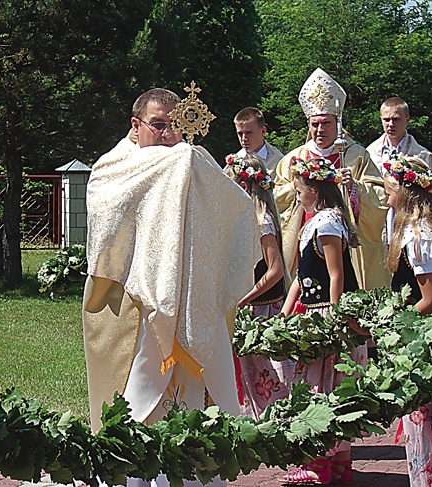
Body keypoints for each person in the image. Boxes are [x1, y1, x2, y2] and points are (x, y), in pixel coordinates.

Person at [82, 89, 261, 486]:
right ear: (136, 125)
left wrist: (192, 172)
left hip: (192, 302)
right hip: (132, 306)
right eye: (158, 124)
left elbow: (237, 209)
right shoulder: (114, 167)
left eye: (174, 126)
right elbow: (106, 222)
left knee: (190, 418)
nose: (166, 134)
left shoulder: (194, 160)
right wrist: (172, 171)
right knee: (130, 416)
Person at [280, 157, 363, 485]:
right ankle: (340, 463)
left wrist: (333, 317)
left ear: (314, 190)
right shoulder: (315, 221)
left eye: (300, 191)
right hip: (315, 310)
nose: (297, 197)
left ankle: (320, 464)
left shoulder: (328, 222)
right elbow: (303, 275)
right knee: (322, 386)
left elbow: (335, 273)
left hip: (326, 313)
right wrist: (285, 314)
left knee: (322, 388)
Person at [383, 155, 432, 486]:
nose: (385, 192)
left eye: (390, 186)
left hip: (431, 336)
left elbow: (430, 299)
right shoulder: (426, 229)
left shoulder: (418, 235)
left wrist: (390, 323)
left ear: (405, 190)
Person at [274, 68, 389, 291]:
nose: (320, 129)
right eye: (315, 124)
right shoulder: (296, 158)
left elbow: (381, 196)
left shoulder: (355, 156)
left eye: (326, 123)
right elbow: (276, 198)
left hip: (346, 244)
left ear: (337, 124)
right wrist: (299, 186)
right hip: (306, 239)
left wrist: (355, 188)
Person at [223, 153, 293, 420]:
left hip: (264, 309)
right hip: (250, 307)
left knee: (270, 375)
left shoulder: (262, 220)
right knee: (250, 373)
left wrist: (244, 298)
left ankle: (276, 425)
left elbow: (274, 271)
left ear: (243, 186)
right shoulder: (243, 219)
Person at [367, 97, 432, 181]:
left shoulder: (422, 155)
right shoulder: (369, 153)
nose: (391, 124)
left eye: (396, 119)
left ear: (407, 119)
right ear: (381, 119)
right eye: (387, 120)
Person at [233, 107, 284, 175]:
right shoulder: (235, 161)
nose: (244, 138)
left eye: (249, 132)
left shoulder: (279, 161)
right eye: (240, 133)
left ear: (263, 131)